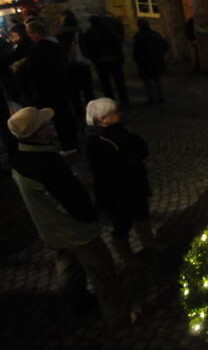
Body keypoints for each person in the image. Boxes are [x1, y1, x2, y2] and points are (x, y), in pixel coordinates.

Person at [8, 106, 132, 327]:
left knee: (68, 267)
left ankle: (78, 305)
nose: (52, 125)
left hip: (50, 229)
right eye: (46, 125)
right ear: (37, 134)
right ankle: (118, 316)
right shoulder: (47, 165)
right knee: (102, 272)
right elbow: (74, 203)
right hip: (75, 231)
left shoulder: (20, 156)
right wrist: (94, 215)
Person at [85, 98, 165, 268]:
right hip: (116, 192)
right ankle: (126, 256)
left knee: (141, 213)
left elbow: (142, 148)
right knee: (122, 224)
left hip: (134, 183)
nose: (118, 115)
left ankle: (148, 240)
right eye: (113, 113)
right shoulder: (96, 142)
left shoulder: (120, 131)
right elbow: (110, 168)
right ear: (101, 119)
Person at [26, 20, 78, 153]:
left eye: (30, 33)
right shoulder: (56, 46)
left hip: (48, 90)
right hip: (61, 86)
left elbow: (34, 74)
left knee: (58, 118)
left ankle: (67, 145)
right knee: (65, 114)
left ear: (35, 33)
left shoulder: (37, 50)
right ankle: (73, 141)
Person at [81, 15, 130, 106]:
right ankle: (124, 101)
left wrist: (93, 59)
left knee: (106, 84)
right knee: (119, 82)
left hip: (101, 61)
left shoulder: (90, 33)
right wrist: (120, 57)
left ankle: (111, 102)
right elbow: (116, 44)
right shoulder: (108, 31)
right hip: (112, 59)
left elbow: (88, 48)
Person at [56, 11, 94, 118]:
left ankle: (78, 113)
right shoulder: (81, 34)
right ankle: (91, 111)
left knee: (74, 93)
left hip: (69, 67)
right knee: (87, 90)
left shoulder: (60, 37)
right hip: (82, 65)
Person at [132, 19, 169, 104]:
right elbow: (165, 45)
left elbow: (136, 51)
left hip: (145, 63)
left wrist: (138, 59)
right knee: (158, 80)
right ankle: (161, 97)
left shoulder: (139, 37)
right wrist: (160, 54)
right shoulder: (155, 34)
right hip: (156, 61)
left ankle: (152, 98)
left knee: (148, 82)